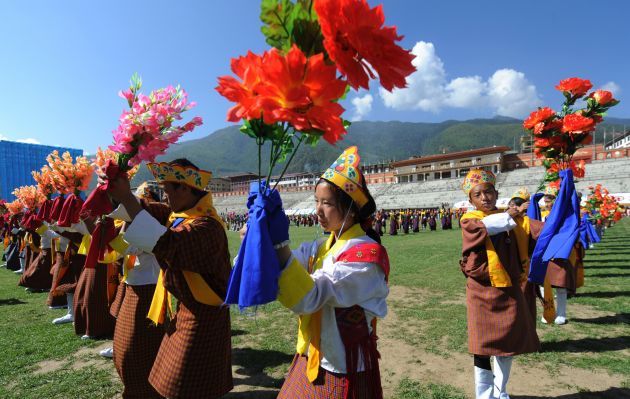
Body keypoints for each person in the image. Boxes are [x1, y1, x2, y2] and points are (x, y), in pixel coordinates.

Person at [107, 158, 233, 399]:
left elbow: (167, 244)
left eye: (167, 192)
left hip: (203, 316)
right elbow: (147, 210)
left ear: (184, 189)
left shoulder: (206, 226)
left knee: (189, 386)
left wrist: (126, 198)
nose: (164, 198)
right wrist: (119, 193)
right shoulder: (181, 214)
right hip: (186, 311)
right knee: (175, 383)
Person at [272, 146, 390, 398]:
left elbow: (309, 297)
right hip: (311, 353)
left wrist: (279, 245)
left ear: (351, 208)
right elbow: (287, 262)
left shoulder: (366, 257)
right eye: (316, 201)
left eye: (327, 203)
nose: (318, 210)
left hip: (342, 366)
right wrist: (259, 242)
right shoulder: (321, 246)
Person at [459, 170, 540, 399]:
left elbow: (538, 231)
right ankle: (484, 395)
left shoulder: (513, 220)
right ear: (470, 200)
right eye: (478, 194)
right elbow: (488, 226)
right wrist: (513, 214)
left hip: (508, 289)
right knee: (481, 346)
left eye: (489, 192)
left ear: (496, 193)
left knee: (506, 345)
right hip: (481, 291)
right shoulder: (470, 220)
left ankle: (500, 391)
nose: (485, 198)